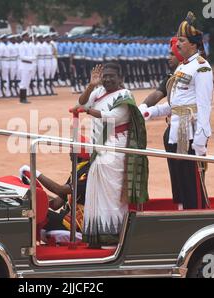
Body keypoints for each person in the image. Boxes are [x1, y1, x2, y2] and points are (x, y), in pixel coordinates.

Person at [143, 11, 213, 210]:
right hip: (177, 128)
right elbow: (176, 104)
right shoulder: (184, 67)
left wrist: (201, 137)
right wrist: (150, 112)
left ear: (193, 44)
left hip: (188, 131)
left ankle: (196, 215)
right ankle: (183, 211)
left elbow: (204, 105)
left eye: (182, 40)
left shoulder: (201, 67)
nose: (178, 44)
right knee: (179, 178)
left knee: (191, 181)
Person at [76, 63, 149, 248]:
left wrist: (87, 111)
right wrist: (91, 85)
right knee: (97, 191)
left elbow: (112, 117)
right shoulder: (98, 91)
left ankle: (115, 236)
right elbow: (81, 102)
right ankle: (97, 236)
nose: (107, 79)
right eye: (105, 76)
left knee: (113, 193)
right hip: (99, 148)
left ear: (120, 78)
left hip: (116, 146)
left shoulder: (125, 95)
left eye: (112, 76)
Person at [19, 139, 91, 244]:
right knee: (33, 210)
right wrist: (35, 194)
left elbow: (59, 189)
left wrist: (36, 173)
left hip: (75, 227)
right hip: (67, 220)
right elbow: (55, 204)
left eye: (71, 150)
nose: (69, 153)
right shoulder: (77, 171)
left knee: (31, 214)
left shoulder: (87, 174)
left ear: (78, 154)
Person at [138, 37, 184, 111]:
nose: (169, 58)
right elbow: (158, 93)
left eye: (172, 54)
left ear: (182, 55)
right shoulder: (173, 75)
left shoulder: (191, 71)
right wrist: (142, 107)